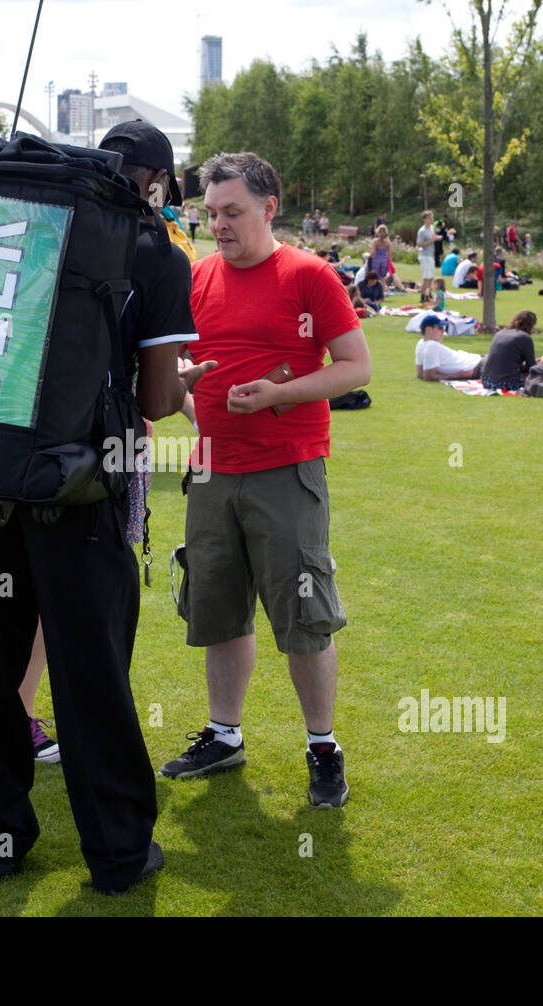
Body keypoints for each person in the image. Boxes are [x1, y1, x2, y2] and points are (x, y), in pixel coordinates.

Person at [0, 120, 203, 894]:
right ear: (154, 180)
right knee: (91, 673)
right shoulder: (155, 249)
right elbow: (157, 394)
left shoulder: (21, 224)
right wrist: (188, 382)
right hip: (85, 484)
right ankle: (119, 852)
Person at [158, 151, 371, 810]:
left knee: (304, 617)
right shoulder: (196, 278)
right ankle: (225, 735)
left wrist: (281, 395)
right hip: (214, 473)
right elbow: (175, 377)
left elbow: (355, 367)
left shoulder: (309, 275)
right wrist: (190, 398)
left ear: (269, 207)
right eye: (211, 213)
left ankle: (322, 747)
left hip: (287, 473)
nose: (219, 225)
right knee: (216, 609)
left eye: (233, 212)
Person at [415, 315, 482, 380]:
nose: (443, 331)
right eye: (440, 328)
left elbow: (420, 374)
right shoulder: (431, 346)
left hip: (475, 361)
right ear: (428, 329)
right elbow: (428, 376)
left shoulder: (421, 343)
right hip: (475, 365)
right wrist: (457, 376)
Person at [416, 210, 437, 300]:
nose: (431, 220)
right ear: (424, 219)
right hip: (425, 255)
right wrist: (430, 241)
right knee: (426, 277)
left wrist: (437, 238)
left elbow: (433, 237)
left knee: (431, 277)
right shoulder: (422, 231)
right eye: (429, 218)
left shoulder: (432, 228)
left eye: (432, 218)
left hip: (431, 254)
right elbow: (419, 244)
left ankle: (428, 294)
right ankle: (422, 296)